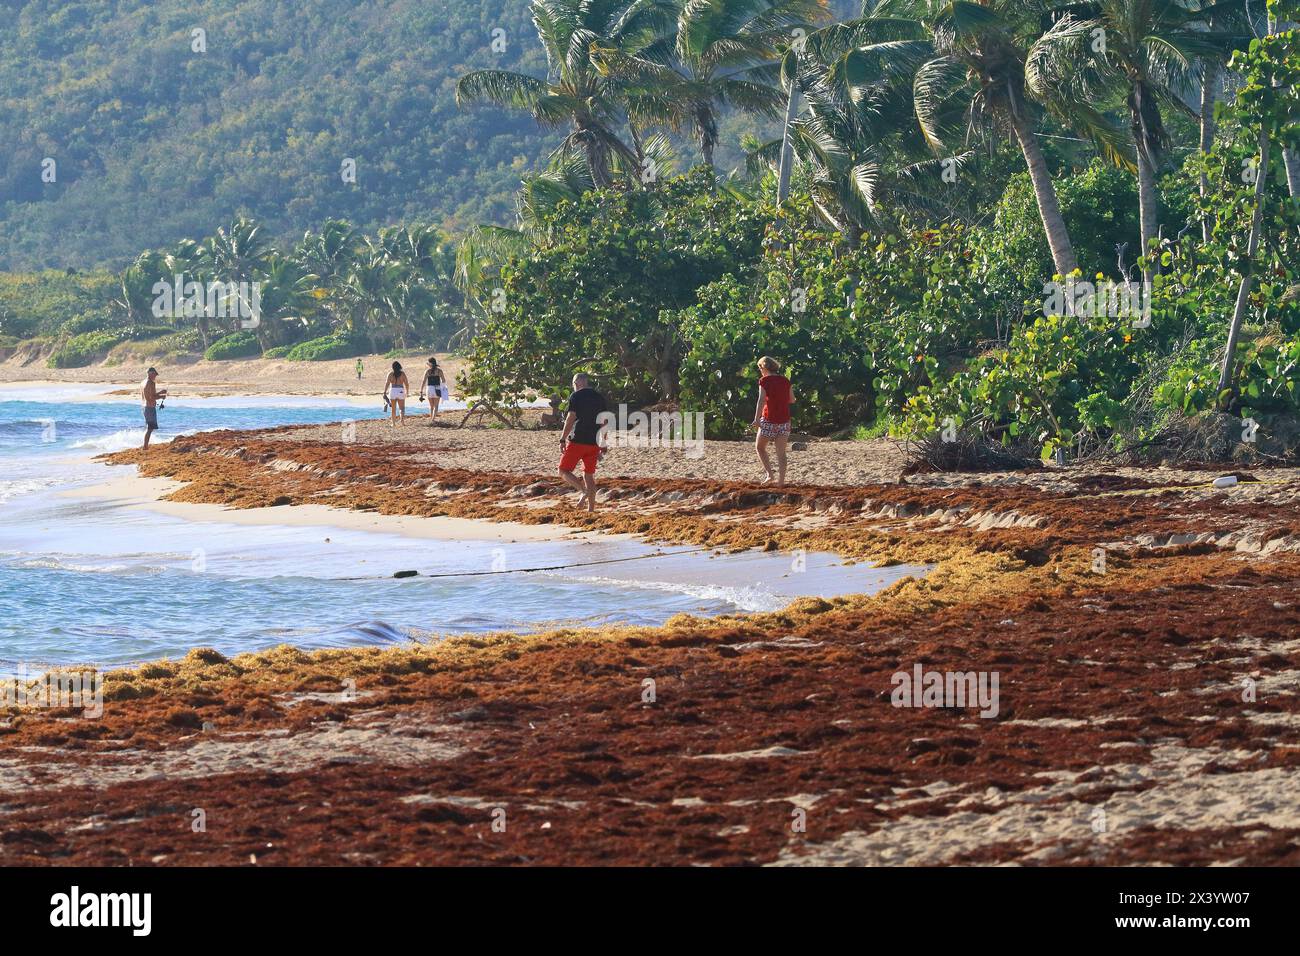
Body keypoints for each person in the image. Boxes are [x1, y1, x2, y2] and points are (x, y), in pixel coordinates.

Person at [558, 372, 606, 512]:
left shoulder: (576, 396)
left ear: (577, 383)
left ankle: (583, 491)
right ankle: (591, 510)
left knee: (563, 470)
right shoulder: (599, 397)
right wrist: (603, 442)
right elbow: (604, 421)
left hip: (578, 439)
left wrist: (562, 438)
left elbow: (570, 418)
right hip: (594, 441)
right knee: (588, 475)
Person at [751, 356, 794, 486]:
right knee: (781, 453)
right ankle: (781, 481)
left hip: (769, 420)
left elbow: (761, 400)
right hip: (784, 421)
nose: (760, 371)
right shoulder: (785, 381)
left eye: (760, 368)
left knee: (759, 447)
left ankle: (770, 474)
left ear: (764, 367)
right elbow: (792, 399)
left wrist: (756, 418)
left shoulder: (764, 381)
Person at [141, 367, 168, 451]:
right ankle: (145, 447)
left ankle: (145, 446)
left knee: (150, 428)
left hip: (144, 407)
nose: (155, 377)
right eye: (154, 374)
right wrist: (161, 396)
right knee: (150, 428)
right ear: (150, 373)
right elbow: (152, 397)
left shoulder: (143, 382)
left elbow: (149, 395)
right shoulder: (151, 383)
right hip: (149, 407)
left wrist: (160, 393)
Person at [418, 356, 444, 424]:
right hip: (437, 388)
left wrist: (421, 390)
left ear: (430, 364)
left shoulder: (427, 371)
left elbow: (423, 381)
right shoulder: (439, 371)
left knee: (431, 405)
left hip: (429, 388)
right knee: (436, 405)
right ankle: (433, 418)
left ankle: (431, 418)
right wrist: (442, 386)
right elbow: (443, 380)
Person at [384, 361, 409, 427]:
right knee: (402, 408)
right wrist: (407, 391)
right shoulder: (402, 374)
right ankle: (402, 421)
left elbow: (387, 383)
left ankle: (393, 423)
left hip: (393, 390)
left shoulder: (390, 374)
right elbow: (406, 383)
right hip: (400, 390)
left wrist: (384, 392)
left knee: (393, 409)